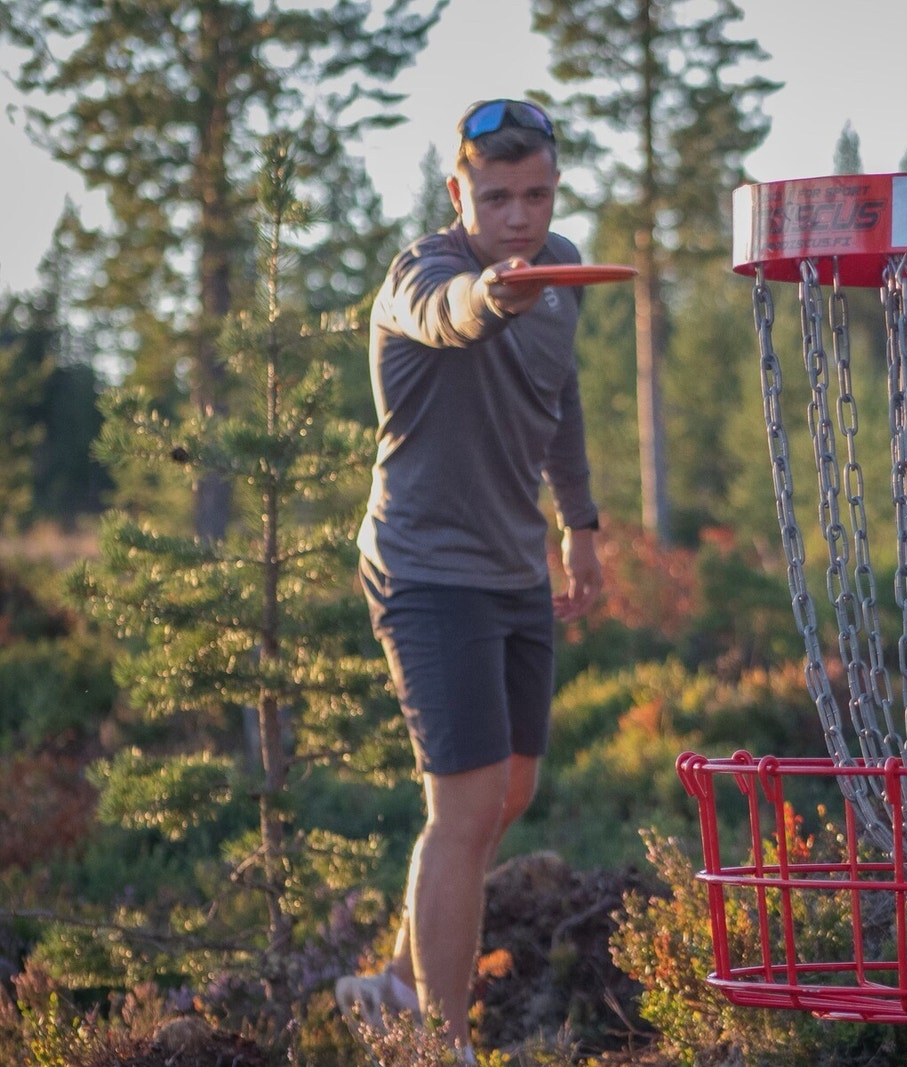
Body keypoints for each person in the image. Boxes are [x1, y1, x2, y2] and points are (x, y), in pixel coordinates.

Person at [336, 98, 604, 1065]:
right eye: (498, 197)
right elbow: (445, 317)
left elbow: (560, 398)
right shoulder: (427, 272)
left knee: (511, 790)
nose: (521, 216)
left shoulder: (564, 266)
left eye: (535, 195)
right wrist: (495, 293)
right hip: (423, 566)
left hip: (511, 564)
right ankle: (438, 1042)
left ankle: (398, 977)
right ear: (460, 192)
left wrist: (580, 527)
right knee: (461, 809)